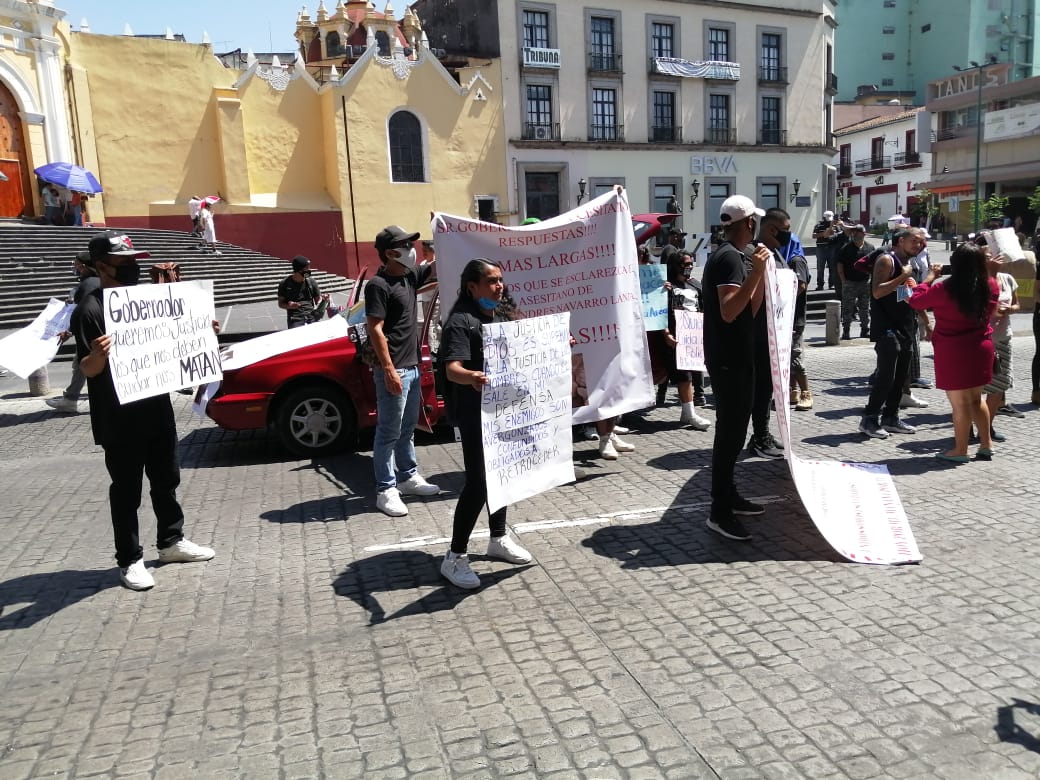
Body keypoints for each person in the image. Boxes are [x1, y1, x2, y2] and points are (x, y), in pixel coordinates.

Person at [71, 231, 215, 590]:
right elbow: (86, 368)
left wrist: (200, 331)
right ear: (101, 266)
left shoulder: (146, 301)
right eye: (124, 262)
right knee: (126, 490)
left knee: (166, 480)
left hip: (155, 407)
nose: (133, 267)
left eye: (133, 259)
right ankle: (130, 560)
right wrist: (98, 355)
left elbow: (172, 343)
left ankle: (171, 541)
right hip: (118, 417)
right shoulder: (90, 309)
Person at [438, 259, 533, 588]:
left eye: (501, 280)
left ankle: (497, 538)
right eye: (492, 281)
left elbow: (524, 349)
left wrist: (557, 346)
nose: (499, 286)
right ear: (471, 287)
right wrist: (472, 377)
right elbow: (452, 368)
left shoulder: (500, 314)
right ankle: (454, 557)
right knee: (478, 483)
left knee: (502, 473)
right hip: (474, 414)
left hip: (502, 410)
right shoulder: (462, 321)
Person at [701, 195, 772, 541]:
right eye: (754, 220)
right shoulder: (729, 258)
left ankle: (728, 496)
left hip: (737, 355)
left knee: (735, 432)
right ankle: (719, 510)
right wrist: (756, 272)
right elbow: (729, 311)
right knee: (729, 434)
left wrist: (759, 274)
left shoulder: (737, 257)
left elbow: (751, 309)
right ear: (748, 223)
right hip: (728, 358)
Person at [366, 225, 441, 516]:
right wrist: (388, 370)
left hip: (411, 366)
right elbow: (375, 328)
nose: (413, 249)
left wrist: (447, 230)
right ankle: (385, 489)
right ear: (389, 252)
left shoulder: (410, 276)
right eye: (406, 245)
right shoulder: (378, 285)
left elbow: (437, 267)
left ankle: (408, 476)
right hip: (395, 369)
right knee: (388, 431)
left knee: (407, 428)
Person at [908, 243, 999, 462]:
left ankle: (960, 450)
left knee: (959, 404)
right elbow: (994, 311)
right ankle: (986, 445)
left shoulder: (944, 288)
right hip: (980, 346)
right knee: (977, 399)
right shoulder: (991, 285)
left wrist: (927, 279)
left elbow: (915, 301)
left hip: (952, 349)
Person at [859, 228, 928, 439]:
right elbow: (878, 292)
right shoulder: (886, 261)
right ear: (901, 241)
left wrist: (926, 320)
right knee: (886, 375)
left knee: (901, 376)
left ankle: (891, 417)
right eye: (915, 241)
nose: (920, 245)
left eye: (922, 242)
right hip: (886, 327)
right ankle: (869, 418)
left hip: (905, 325)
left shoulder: (910, 264)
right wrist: (904, 277)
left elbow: (904, 295)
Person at [746, 208, 792, 456]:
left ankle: (762, 433)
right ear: (772, 229)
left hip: (775, 332)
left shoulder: (774, 253)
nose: (789, 234)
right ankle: (759, 437)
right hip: (759, 334)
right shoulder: (753, 254)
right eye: (787, 229)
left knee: (768, 388)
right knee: (761, 387)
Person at [662, 249, 711, 431]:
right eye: (685, 264)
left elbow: (704, 309)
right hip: (675, 337)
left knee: (694, 374)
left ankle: (687, 411)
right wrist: (666, 333)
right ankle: (689, 413)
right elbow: (660, 312)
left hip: (694, 338)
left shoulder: (696, 286)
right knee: (684, 376)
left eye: (691, 263)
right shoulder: (666, 287)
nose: (689, 267)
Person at [46, 251, 99, 414]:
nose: (75, 268)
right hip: (96, 332)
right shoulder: (96, 281)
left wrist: (69, 331)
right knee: (80, 365)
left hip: (91, 335)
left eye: (76, 265)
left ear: (84, 267)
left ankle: (71, 399)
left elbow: (82, 313)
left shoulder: (87, 284)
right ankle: (71, 398)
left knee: (84, 365)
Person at [982, 246, 1020, 441]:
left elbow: (1017, 304)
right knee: (976, 388)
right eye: (987, 257)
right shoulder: (976, 281)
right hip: (980, 340)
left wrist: (1009, 309)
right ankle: (971, 427)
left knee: (998, 386)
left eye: (993, 256)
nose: (992, 259)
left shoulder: (1007, 279)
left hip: (1003, 338)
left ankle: (987, 427)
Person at [779, 231, 813, 411]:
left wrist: (784, 299)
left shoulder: (796, 260)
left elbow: (801, 285)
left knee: (796, 356)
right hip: (786, 315)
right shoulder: (785, 259)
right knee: (787, 356)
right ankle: (792, 390)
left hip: (795, 316)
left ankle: (806, 392)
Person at [836, 224, 873, 340]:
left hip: (865, 282)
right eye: (854, 233)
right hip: (850, 282)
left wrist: (872, 278)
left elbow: (874, 264)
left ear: (864, 234)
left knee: (865, 307)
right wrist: (843, 280)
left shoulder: (870, 248)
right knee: (847, 307)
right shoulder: (846, 248)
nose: (856, 235)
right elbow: (840, 264)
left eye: (859, 233)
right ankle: (846, 331)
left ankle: (864, 329)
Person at [277, 255, 329, 329]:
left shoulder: (311, 282)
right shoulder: (284, 283)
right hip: (295, 319)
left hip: (312, 316)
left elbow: (318, 301)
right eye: (307, 268)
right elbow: (280, 304)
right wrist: (290, 306)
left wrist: (324, 300)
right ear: (299, 270)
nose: (309, 270)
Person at [811, 210, 838, 291]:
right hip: (821, 248)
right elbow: (814, 235)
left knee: (832, 267)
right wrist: (823, 234)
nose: (828, 220)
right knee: (820, 267)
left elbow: (837, 235)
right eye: (827, 218)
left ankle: (832, 284)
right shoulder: (818, 225)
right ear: (823, 217)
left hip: (831, 248)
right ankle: (820, 284)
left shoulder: (835, 225)